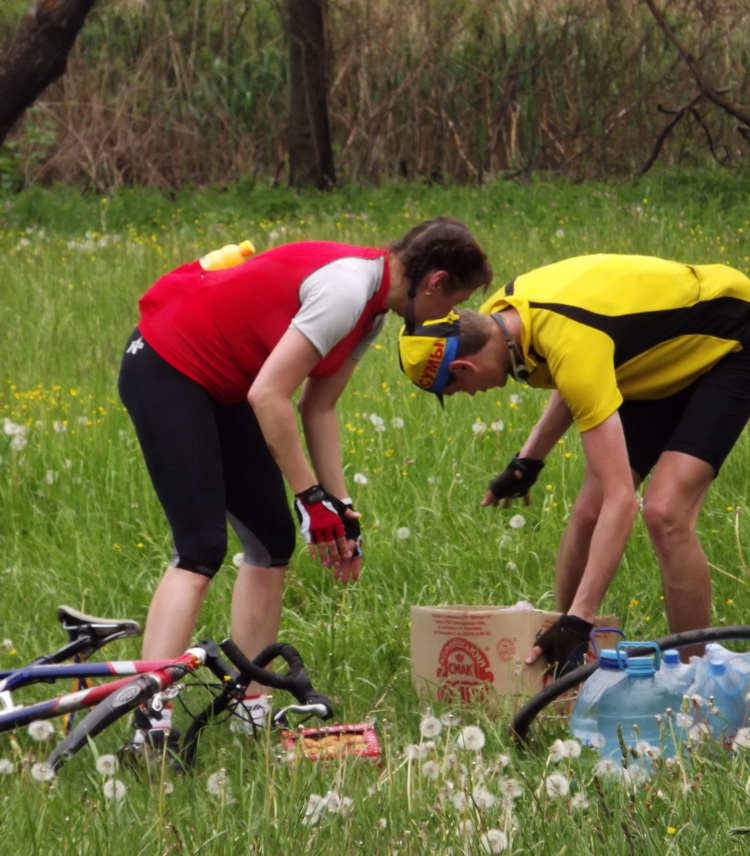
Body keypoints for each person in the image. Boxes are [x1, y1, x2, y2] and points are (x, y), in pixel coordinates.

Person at [118, 217, 492, 746]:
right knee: (200, 549)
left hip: (223, 385)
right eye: (455, 302)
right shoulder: (348, 290)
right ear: (435, 282)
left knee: (272, 543)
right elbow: (269, 396)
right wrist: (308, 496)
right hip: (166, 366)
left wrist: (338, 506)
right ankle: (149, 723)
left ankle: (249, 709)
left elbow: (320, 407)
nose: (448, 315)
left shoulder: (373, 312)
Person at [399, 253, 750, 674]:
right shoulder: (500, 318)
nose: (470, 395)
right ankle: (565, 656)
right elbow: (568, 371)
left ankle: (695, 679)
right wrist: (527, 461)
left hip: (729, 338)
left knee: (665, 512)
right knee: (588, 511)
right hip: (653, 358)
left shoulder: (571, 342)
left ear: (463, 366)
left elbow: (621, 497)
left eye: (458, 390)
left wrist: (581, 618)